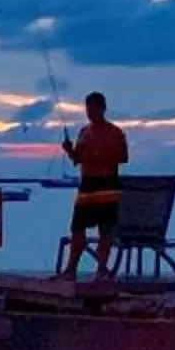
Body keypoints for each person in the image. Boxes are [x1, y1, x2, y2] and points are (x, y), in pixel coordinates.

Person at [58, 91, 128, 279]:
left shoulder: (115, 132)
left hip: (107, 186)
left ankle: (102, 268)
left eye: (93, 108)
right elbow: (78, 158)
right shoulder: (84, 132)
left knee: (105, 230)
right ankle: (71, 269)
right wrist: (69, 151)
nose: (89, 112)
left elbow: (123, 157)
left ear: (102, 109)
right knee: (77, 228)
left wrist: (98, 155)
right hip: (87, 187)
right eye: (87, 108)